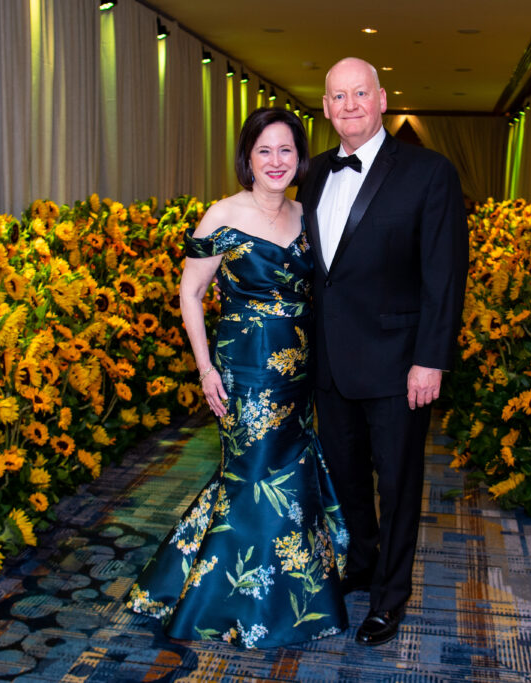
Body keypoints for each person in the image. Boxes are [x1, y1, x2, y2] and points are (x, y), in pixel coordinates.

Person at [128, 107, 349, 649]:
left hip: (299, 374)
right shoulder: (221, 216)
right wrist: (205, 369)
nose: (276, 162)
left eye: (286, 151)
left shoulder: (307, 212)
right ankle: (232, 600)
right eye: (264, 152)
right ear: (247, 159)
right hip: (243, 370)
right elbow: (190, 293)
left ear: (299, 157)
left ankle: (283, 594)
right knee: (252, 476)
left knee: (286, 478)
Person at [296, 57, 468, 646]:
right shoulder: (313, 173)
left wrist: (432, 358)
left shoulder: (429, 172)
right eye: (337, 96)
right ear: (324, 107)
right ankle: (362, 565)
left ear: (382, 99)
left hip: (400, 366)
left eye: (359, 94)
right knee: (346, 480)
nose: (349, 105)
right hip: (330, 363)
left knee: (397, 486)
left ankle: (390, 598)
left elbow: (444, 275)